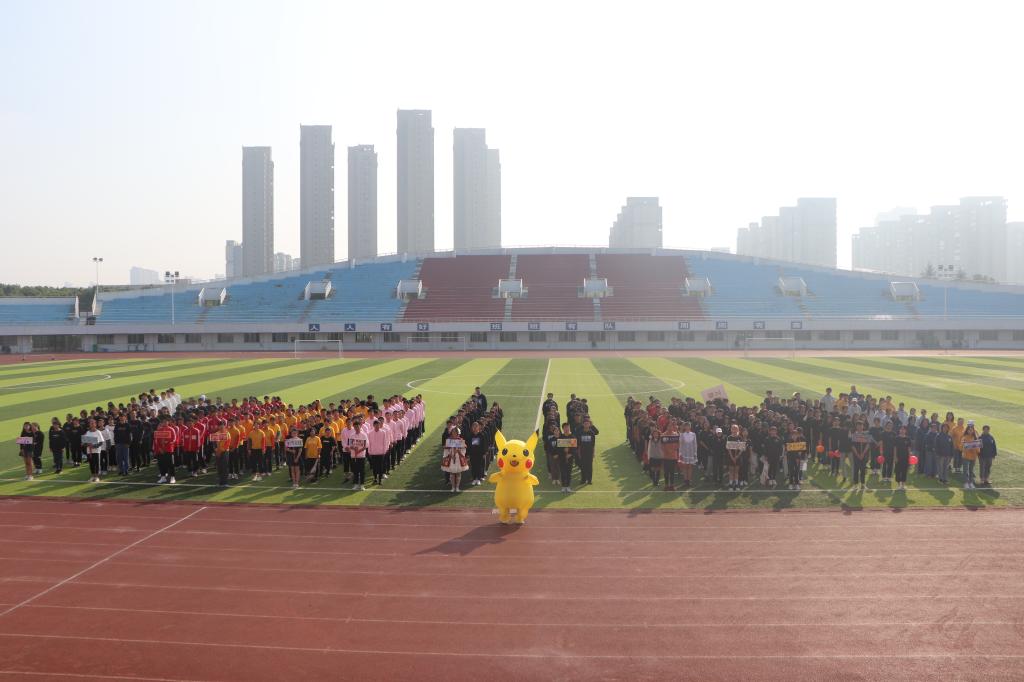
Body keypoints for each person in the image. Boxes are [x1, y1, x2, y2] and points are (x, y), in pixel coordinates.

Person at [441, 428, 468, 492]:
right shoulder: (448, 440)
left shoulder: (460, 440)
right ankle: (453, 487)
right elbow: (446, 449)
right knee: (452, 473)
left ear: (457, 433)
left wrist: (460, 449)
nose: (454, 433)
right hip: (451, 457)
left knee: (458, 473)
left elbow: (464, 448)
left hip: (458, 458)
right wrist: (447, 455)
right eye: (453, 432)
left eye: (455, 432)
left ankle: (457, 487)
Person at [575, 418, 599, 486]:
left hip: (589, 452)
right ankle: (583, 479)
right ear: (583, 424)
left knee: (589, 466)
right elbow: (578, 444)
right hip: (582, 452)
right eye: (585, 423)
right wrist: (579, 453)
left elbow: (593, 444)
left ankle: (589, 480)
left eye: (587, 423)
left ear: (589, 424)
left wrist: (593, 453)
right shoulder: (580, 433)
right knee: (583, 466)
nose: (586, 425)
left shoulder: (592, 433)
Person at [466, 422, 487, 486]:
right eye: (474, 427)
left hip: (480, 454)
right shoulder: (470, 436)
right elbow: (468, 445)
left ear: (478, 427)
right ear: (472, 428)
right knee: (473, 466)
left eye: (476, 426)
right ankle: (474, 478)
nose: (475, 428)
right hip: (472, 454)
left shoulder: (481, 435)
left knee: (479, 466)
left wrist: (484, 453)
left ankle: (478, 479)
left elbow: (484, 445)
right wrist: (467, 454)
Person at [961, 422, 980, 489]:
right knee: (966, 470)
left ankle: (971, 482)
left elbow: (978, 447)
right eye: (969, 430)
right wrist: (966, 447)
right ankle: (965, 483)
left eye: (971, 430)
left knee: (971, 470)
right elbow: (962, 446)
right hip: (966, 456)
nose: (970, 431)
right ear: (967, 430)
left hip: (973, 456)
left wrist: (976, 450)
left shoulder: (975, 438)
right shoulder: (964, 437)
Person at [850, 422, 869, 491]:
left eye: (861, 426)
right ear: (856, 427)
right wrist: (858, 454)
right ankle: (855, 485)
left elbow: (867, 445)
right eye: (858, 426)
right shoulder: (854, 435)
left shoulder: (866, 435)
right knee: (856, 470)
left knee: (863, 470)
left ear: (863, 426)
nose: (860, 427)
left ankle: (863, 484)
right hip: (856, 455)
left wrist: (863, 454)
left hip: (864, 455)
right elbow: (852, 446)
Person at [893, 425, 912, 491]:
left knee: (904, 471)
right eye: (901, 429)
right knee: (898, 471)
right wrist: (895, 457)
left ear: (906, 431)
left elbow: (909, 449)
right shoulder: (896, 438)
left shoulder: (908, 439)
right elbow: (895, 448)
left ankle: (903, 485)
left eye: (903, 429)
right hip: (898, 457)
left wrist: (909, 457)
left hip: (905, 457)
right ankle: (899, 485)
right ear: (899, 430)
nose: (902, 430)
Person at [679, 421, 697, 487]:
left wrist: (695, 453)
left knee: (690, 466)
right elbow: (680, 445)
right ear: (684, 427)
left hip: (691, 453)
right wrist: (680, 453)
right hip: (684, 453)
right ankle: (685, 480)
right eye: (686, 426)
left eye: (688, 426)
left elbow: (695, 444)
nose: (687, 427)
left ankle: (689, 480)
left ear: (690, 427)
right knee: (685, 466)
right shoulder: (682, 435)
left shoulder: (693, 434)